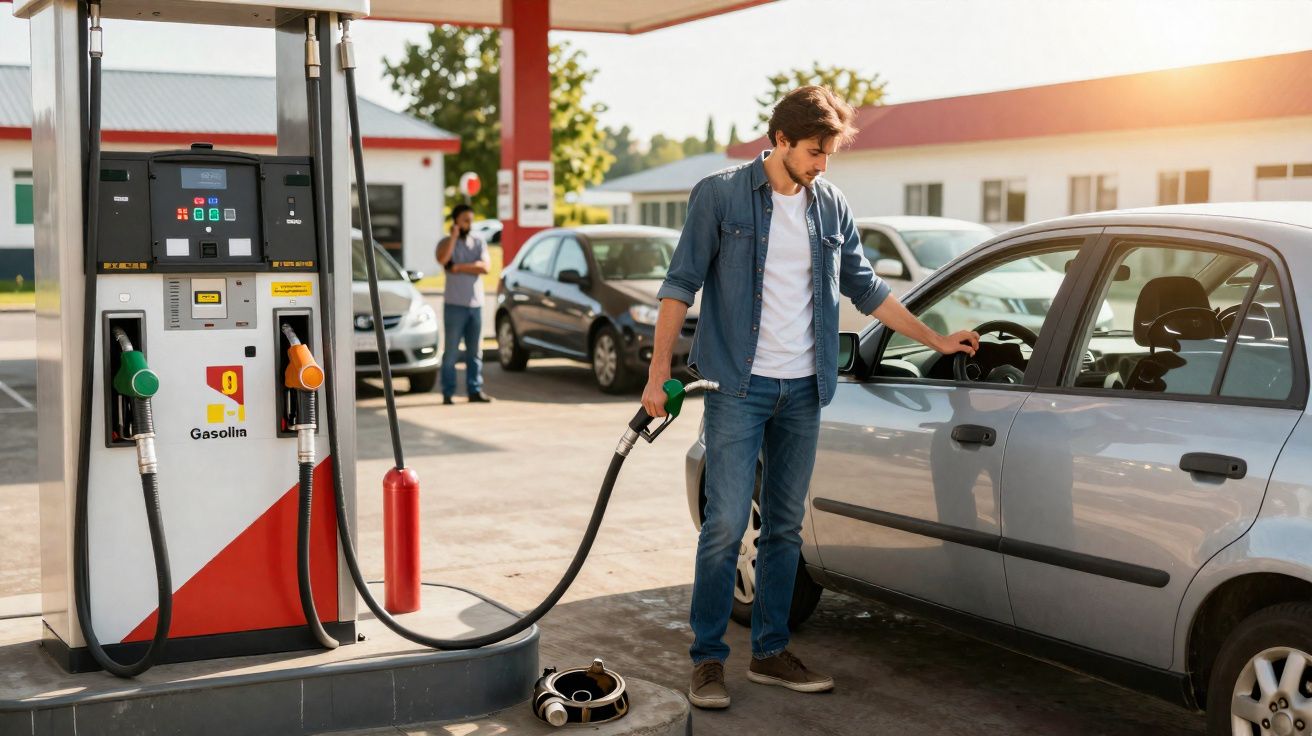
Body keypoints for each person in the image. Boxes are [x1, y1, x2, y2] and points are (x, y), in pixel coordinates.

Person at [642, 86, 979, 709]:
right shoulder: (719, 195)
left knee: (786, 529)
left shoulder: (831, 207)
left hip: (803, 389)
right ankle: (709, 661)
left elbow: (867, 288)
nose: (823, 163)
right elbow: (680, 283)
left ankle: (770, 652)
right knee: (722, 527)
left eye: (829, 153)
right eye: (814, 151)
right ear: (780, 141)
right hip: (737, 389)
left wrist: (936, 337)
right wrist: (658, 371)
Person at [435, 204, 493, 404]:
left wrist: (458, 267)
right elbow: (443, 260)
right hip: (454, 305)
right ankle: (448, 392)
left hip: (475, 305)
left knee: (475, 352)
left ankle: (474, 390)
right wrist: (453, 238)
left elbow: (485, 267)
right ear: (456, 222)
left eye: (471, 220)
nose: (469, 224)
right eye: (465, 220)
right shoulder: (445, 242)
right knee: (451, 352)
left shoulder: (478, 241)